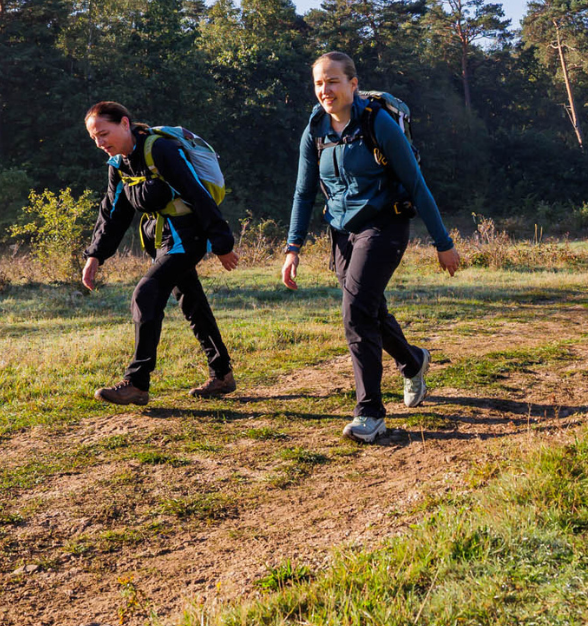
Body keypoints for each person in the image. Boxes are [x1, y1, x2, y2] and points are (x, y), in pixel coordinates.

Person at [282, 52, 461, 444]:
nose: (325, 90)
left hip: (385, 225)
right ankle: (413, 361)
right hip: (342, 232)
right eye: (318, 83)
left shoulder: (377, 122)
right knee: (370, 309)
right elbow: (303, 192)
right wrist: (293, 247)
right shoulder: (315, 129)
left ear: (353, 84)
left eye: (333, 81)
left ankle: (370, 413)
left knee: (356, 312)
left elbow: (416, 184)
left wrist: (443, 243)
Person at [81, 102, 240, 406]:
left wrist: (222, 244)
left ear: (124, 123)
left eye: (104, 133)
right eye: (94, 138)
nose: (100, 142)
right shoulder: (118, 165)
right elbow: (113, 214)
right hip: (161, 237)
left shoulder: (159, 150)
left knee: (145, 293)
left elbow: (197, 194)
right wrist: (95, 255)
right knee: (192, 303)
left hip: (188, 234)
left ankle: (137, 383)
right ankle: (222, 374)